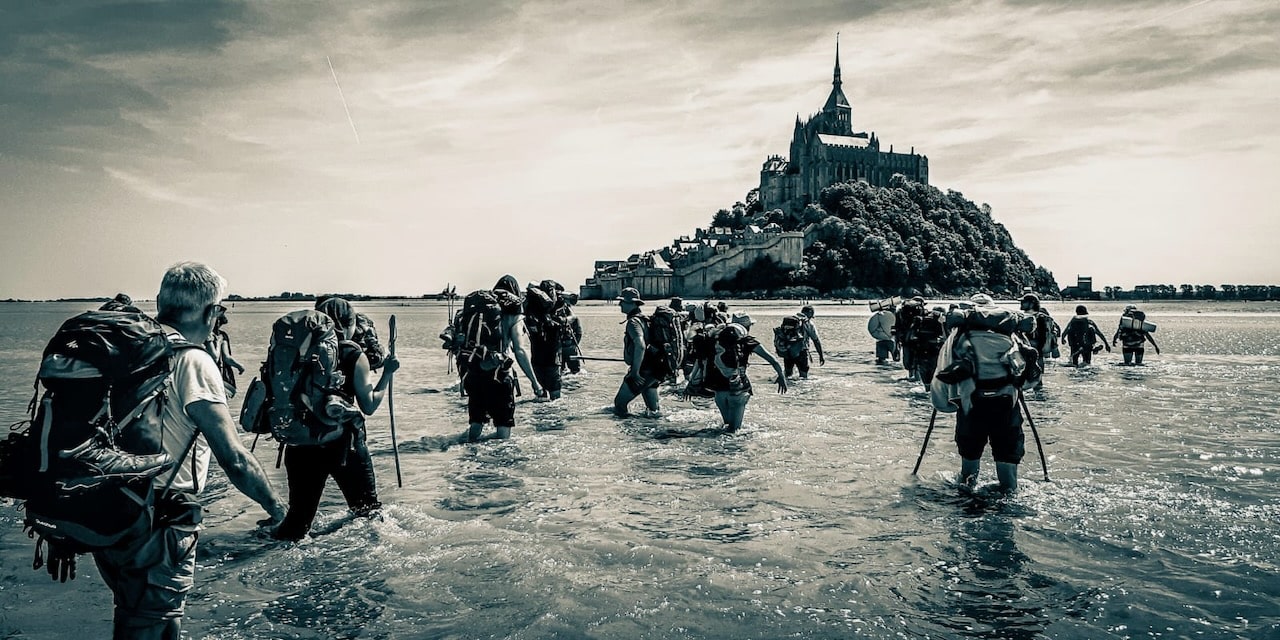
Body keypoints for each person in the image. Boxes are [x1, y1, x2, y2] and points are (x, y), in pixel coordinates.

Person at [91, 261, 287, 639]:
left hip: (109, 509)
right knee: (144, 625)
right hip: (158, 517)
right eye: (221, 310)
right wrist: (276, 508)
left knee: (157, 617)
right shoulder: (192, 360)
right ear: (212, 312)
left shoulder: (127, 350)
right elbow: (234, 458)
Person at [272, 297, 400, 541]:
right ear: (350, 323)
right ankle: (369, 568)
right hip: (343, 445)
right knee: (368, 512)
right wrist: (387, 375)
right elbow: (369, 405)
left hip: (299, 443)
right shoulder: (353, 354)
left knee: (298, 523)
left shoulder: (297, 351)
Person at [934, 293, 1030, 492]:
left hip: (971, 406)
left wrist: (944, 404)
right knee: (1009, 477)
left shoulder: (957, 336)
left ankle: (970, 503)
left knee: (968, 473)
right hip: (1006, 405)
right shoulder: (1010, 333)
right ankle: (1007, 507)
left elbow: (942, 378)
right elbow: (1028, 380)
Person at [465, 275, 545, 442]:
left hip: (475, 371)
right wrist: (535, 383)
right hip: (499, 375)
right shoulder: (513, 312)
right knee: (503, 431)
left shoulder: (481, 308)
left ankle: (470, 457)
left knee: (476, 424)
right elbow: (520, 350)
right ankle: (498, 465)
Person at [687, 312, 787, 432]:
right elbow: (773, 360)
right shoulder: (748, 341)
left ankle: (718, 449)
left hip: (719, 391)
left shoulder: (714, 339)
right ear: (747, 327)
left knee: (727, 428)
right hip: (738, 389)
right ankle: (735, 450)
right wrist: (781, 377)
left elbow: (700, 361)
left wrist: (691, 384)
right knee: (735, 432)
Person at [612, 287, 666, 417]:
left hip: (644, 370)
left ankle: (630, 432)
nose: (620, 304)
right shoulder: (645, 319)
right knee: (654, 411)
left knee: (619, 403)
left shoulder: (633, 322)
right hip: (656, 369)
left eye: (622, 301)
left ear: (632, 303)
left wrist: (635, 372)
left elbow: (640, 345)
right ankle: (653, 431)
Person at [524, 280, 565, 400]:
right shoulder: (551, 314)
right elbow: (562, 322)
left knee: (541, 397)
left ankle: (540, 417)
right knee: (556, 399)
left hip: (536, 359)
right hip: (552, 360)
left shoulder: (531, 311)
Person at [204, 307, 245, 398]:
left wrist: (239, 366)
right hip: (218, 373)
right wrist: (239, 366)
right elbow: (218, 357)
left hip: (212, 374)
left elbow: (226, 357)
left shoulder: (206, 334)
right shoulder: (217, 336)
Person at [781, 304, 826, 379]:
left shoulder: (789, 320)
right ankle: (803, 390)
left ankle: (787, 388)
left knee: (788, 375)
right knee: (803, 375)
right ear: (810, 312)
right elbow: (816, 340)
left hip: (788, 350)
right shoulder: (808, 323)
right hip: (801, 351)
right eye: (812, 314)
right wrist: (821, 355)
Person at [896, 297, 926, 380]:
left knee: (908, 360)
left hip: (905, 340)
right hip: (918, 340)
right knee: (918, 359)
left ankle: (911, 375)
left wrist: (897, 345)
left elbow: (897, 328)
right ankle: (917, 378)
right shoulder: (922, 312)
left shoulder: (901, 313)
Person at [558, 292, 585, 374]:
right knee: (560, 370)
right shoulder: (556, 317)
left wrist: (574, 344)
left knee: (575, 371)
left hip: (570, 346)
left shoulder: (574, 318)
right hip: (559, 347)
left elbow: (579, 332)